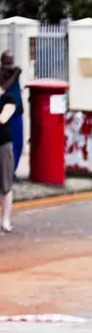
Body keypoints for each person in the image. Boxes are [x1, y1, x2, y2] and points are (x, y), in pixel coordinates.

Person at [0, 65, 17, 234]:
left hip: (3, 145)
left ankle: (5, 220)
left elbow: (3, 119)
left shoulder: (9, 99)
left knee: (5, 185)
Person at [1, 52, 22, 173]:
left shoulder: (14, 73)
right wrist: (14, 74)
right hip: (7, 114)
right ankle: (9, 172)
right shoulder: (3, 74)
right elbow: (3, 87)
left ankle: (12, 171)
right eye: (8, 62)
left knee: (18, 144)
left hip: (17, 112)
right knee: (10, 146)